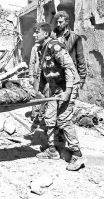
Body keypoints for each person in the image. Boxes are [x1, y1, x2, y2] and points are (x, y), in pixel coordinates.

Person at [33, 22, 85, 171]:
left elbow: (69, 67)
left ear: (46, 34)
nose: (34, 34)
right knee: (49, 117)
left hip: (67, 87)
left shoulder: (55, 46)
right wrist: (39, 92)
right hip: (55, 88)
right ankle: (52, 149)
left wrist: (68, 91)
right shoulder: (41, 49)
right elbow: (44, 73)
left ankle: (77, 155)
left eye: (37, 32)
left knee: (63, 119)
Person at [53, 11, 87, 88]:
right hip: (55, 76)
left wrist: (81, 78)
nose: (58, 24)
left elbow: (80, 58)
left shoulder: (75, 37)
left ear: (67, 22)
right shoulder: (52, 36)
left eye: (60, 22)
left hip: (70, 75)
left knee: (70, 99)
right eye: (57, 22)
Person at [28, 43, 41, 121]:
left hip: (46, 75)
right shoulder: (35, 48)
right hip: (37, 75)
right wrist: (31, 76)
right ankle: (34, 116)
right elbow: (31, 62)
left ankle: (42, 116)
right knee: (36, 95)